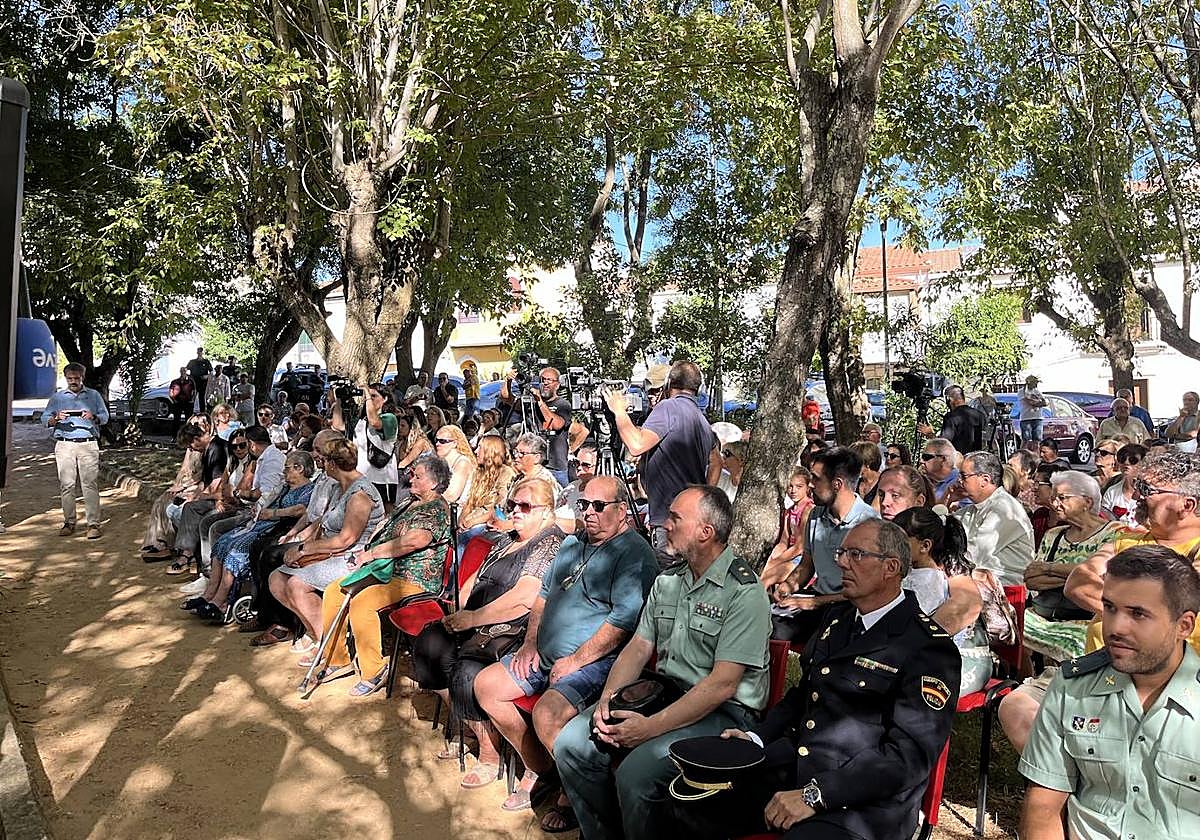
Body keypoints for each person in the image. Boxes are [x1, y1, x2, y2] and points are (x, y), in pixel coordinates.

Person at [668, 519, 959, 840]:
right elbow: (803, 695)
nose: (841, 562)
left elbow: (907, 758)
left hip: (862, 805)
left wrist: (817, 795)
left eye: (856, 554)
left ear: (891, 567)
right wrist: (756, 739)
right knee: (691, 800)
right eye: (842, 552)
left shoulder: (927, 647)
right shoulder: (838, 620)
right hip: (796, 768)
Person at [555, 485, 771, 840]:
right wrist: (607, 702)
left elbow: (722, 685)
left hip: (724, 712)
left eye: (675, 518)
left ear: (706, 532)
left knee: (635, 775)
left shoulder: (745, 593)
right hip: (666, 694)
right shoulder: (669, 580)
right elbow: (637, 649)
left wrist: (650, 728)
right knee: (571, 745)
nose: (664, 524)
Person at [472, 476, 658, 816]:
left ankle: (580, 796)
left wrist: (575, 660)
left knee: (547, 714)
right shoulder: (573, 544)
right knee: (486, 686)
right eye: (584, 504)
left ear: (622, 512)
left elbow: (622, 624)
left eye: (599, 506)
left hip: (597, 663)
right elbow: (543, 597)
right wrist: (529, 643)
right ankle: (549, 771)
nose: (589, 512)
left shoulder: (635, 554)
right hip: (543, 655)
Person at [1001, 450, 1200, 754]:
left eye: (1149, 490)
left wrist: (1114, 596)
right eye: (1139, 487)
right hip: (1096, 669)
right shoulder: (1126, 540)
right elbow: (1079, 583)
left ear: (1187, 505)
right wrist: (1148, 611)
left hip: (1168, 683)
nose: (1137, 496)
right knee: (1017, 707)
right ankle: (1073, 789)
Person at [1018, 545, 1200, 840]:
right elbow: (1043, 807)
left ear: (1184, 625)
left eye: (1138, 614)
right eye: (1110, 607)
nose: (1115, 627)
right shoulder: (1073, 688)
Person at [412, 478, 564, 785]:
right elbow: (477, 579)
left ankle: (490, 752)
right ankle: (476, 727)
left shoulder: (550, 543)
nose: (516, 512)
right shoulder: (506, 539)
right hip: (477, 619)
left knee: (467, 670)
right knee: (430, 643)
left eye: (525, 506)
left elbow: (524, 599)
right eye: (511, 505)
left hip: (514, 629)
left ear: (546, 511)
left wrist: (472, 619)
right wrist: (460, 611)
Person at [311, 455, 453, 696]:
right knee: (336, 590)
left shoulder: (436, 508)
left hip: (414, 576)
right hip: (387, 570)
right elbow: (388, 527)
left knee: (362, 603)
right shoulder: (411, 501)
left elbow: (415, 541)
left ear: (433, 482)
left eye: (418, 476)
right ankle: (337, 658)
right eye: (413, 473)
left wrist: (372, 554)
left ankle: (374, 670)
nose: (411, 478)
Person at [268, 437, 386, 655]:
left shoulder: (360, 494)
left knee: (296, 584)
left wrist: (304, 550)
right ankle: (315, 630)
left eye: (323, 460)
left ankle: (329, 644)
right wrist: (302, 544)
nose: (320, 463)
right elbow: (322, 524)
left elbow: (347, 540)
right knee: (276, 579)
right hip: (331, 551)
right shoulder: (339, 487)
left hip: (353, 557)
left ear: (333, 463)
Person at [603, 361, 718, 566]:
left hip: (670, 521)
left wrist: (619, 411)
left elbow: (636, 445)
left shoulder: (669, 407)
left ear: (668, 384)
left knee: (667, 584)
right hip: (692, 519)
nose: (652, 397)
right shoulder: (701, 419)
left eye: (656, 390)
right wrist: (702, 498)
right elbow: (716, 461)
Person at [187, 449, 315, 624]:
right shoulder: (283, 486)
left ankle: (221, 601)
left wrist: (273, 513)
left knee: (236, 549)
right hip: (262, 522)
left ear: (299, 468)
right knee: (223, 542)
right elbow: (266, 498)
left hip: (278, 526)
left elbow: (301, 510)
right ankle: (210, 594)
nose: (284, 471)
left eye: (287, 468)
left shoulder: (309, 489)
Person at [770, 447, 880, 643]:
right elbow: (806, 565)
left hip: (849, 607)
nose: (810, 485)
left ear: (837, 484)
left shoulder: (868, 524)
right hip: (819, 599)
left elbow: (865, 591)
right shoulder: (815, 515)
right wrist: (786, 587)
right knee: (766, 624)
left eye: (816, 479)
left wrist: (813, 602)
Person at [1021, 471, 1122, 663]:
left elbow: (1103, 581)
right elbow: (1032, 579)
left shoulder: (1114, 533)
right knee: (1010, 626)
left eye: (1062, 498)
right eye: (1053, 498)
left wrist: (1049, 568)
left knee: (1076, 642)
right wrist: (1076, 575)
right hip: (1047, 613)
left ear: (1087, 502)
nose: (1055, 504)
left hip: (1086, 617)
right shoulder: (1054, 535)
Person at [894, 508, 993, 693]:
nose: (892, 546)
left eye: (900, 541)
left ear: (925, 546)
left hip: (950, 660)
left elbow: (916, 622)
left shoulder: (929, 579)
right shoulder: (914, 574)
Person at [45, 362, 109, 539]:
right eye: (70, 378)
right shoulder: (57, 397)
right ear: (65, 378)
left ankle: (93, 524)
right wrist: (56, 418)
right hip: (64, 444)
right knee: (67, 485)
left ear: (83, 377)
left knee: (89, 484)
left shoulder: (94, 395)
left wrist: (93, 416)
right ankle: (69, 522)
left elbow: (105, 417)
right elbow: (45, 418)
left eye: (77, 378)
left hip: (88, 443)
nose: (73, 381)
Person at [953, 450, 1035, 586]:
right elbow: (941, 527)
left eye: (963, 476)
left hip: (1007, 590)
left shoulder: (1004, 509)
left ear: (985, 480)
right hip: (979, 584)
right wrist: (949, 498)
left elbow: (974, 554)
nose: (958, 481)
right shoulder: (976, 507)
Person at [168, 424, 231, 572]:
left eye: (191, 446)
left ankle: (188, 554)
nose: (192, 450)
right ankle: (189, 553)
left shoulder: (217, 449)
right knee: (172, 508)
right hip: (211, 495)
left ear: (197, 439)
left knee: (185, 510)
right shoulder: (209, 449)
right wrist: (193, 494)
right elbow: (205, 481)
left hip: (220, 496)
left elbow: (217, 482)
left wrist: (198, 498)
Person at [333, 382, 400, 509]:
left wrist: (367, 394)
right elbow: (338, 425)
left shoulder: (390, 418)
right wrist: (339, 400)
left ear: (385, 399)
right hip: (362, 474)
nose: (369, 398)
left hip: (382, 476)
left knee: (385, 510)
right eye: (369, 396)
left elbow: (375, 422)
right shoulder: (361, 421)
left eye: (374, 396)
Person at [503, 366, 573, 485]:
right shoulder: (531, 402)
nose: (545, 383)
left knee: (560, 501)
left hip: (555, 466)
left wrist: (540, 401)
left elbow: (556, 425)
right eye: (542, 379)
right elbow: (507, 399)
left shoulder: (562, 404)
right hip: (534, 464)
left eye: (549, 380)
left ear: (557, 384)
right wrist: (508, 381)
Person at [456, 435, 516, 550]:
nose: (475, 451)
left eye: (480, 447)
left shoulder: (506, 473)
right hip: (472, 520)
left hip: (488, 521)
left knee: (469, 536)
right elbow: (470, 502)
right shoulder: (478, 472)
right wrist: (462, 520)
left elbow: (498, 508)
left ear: (490, 451)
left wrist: (472, 521)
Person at [761, 467, 814, 588]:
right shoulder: (789, 512)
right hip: (789, 554)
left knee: (766, 579)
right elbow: (783, 541)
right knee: (762, 573)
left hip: (802, 559)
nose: (793, 490)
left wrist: (776, 562)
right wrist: (771, 560)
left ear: (807, 487)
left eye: (799, 486)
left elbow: (799, 547)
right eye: (790, 486)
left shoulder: (808, 509)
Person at [1100, 443, 1146, 526]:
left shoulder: (1150, 493)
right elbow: (1103, 520)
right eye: (1122, 459)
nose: (1126, 463)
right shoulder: (1111, 492)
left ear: (1143, 464)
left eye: (1133, 460)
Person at [930, 385, 985, 454]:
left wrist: (930, 434)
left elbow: (944, 444)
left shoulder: (951, 417)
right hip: (975, 460)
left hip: (958, 461)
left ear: (949, 399)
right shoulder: (980, 415)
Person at [432, 424, 477, 505]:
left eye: (443, 441)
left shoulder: (463, 462)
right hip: (439, 504)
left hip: (455, 510)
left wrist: (427, 498)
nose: (437, 444)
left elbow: (451, 496)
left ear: (454, 443)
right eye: (436, 440)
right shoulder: (441, 459)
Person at [919, 438, 960, 504]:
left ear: (943, 459)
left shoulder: (960, 483)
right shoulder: (924, 481)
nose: (921, 461)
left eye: (926, 457)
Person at [1018, 374, 1048, 447]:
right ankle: (1023, 457)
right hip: (1026, 418)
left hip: (1038, 418)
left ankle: (1035, 457)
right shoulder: (1022, 391)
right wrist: (1039, 403)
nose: (1036, 384)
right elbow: (1029, 402)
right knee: (1026, 440)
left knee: (1037, 441)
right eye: (1034, 382)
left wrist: (1038, 403)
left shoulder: (1037, 391)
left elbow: (1046, 402)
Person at [849, 441, 882, 506]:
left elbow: (875, 511)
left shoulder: (883, 481)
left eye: (854, 462)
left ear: (868, 463)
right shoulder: (854, 482)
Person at [168, 367, 196, 435]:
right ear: (180, 372)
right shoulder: (175, 381)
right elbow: (171, 392)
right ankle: (175, 436)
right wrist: (174, 400)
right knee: (176, 420)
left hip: (188, 402)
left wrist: (192, 400)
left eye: (184, 371)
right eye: (182, 371)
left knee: (188, 420)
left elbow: (194, 391)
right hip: (178, 402)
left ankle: (188, 435)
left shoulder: (190, 381)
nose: (183, 372)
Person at [186, 347, 213, 411]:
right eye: (199, 351)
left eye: (201, 351)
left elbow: (212, 372)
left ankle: (202, 413)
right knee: (192, 398)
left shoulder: (206, 362)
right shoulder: (192, 362)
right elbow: (186, 370)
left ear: (203, 352)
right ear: (197, 352)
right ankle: (190, 412)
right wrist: (189, 377)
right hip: (193, 383)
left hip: (203, 383)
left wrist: (207, 376)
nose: (200, 353)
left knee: (202, 398)